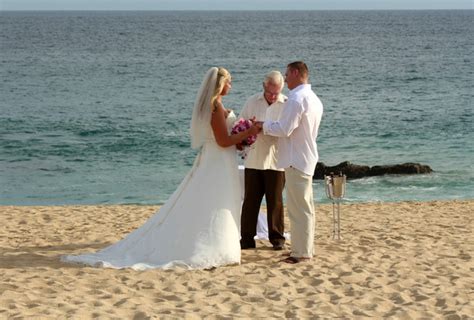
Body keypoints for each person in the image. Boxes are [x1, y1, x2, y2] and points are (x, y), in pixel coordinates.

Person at [62, 67, 260, 270]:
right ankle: (214, 247)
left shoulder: (216, 105)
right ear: (220, 84)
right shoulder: (215, 105)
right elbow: (223, 140)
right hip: (217, 161)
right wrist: (249, 132)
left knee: (216, 200)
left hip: (218, 159)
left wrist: (243, 131)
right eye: (229, 81)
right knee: (216, 201)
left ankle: (220, 244)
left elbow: (225, 137)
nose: (231, 85)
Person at [257, 61, 323, 264]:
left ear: (296, 73)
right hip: (306, 156)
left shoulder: (296, 98)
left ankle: (302, 252)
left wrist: (263, 125)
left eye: (287, 74)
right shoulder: (313, 98)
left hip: (296, 159)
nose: (285, 79)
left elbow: (285, 129)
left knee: (298, 209)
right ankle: (303, 248)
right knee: (304, 206)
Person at [239, 71, 288, 250]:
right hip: (253, 158)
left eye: (276, 93)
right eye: (270, 93)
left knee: (275, 202)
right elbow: (240, 125)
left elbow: (287, 130)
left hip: (276, 160)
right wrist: (250, 128)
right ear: (264, 87)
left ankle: (277, 239)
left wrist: (264, 127)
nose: (273, 96)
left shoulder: (287, 104)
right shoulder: (252, 101)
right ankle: (246, 240)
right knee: (251, 201)